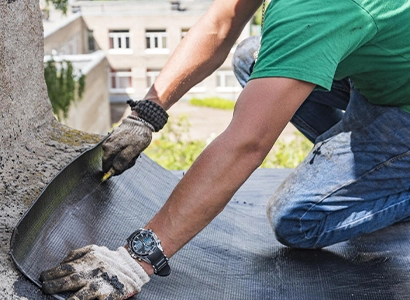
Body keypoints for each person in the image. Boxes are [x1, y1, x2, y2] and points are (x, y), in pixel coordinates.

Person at [40, 0, 410, 299]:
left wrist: (137, 260)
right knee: (253, 57)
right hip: (384, 68)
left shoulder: (318, 9)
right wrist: (147, 115)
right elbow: (219, 25)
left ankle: (386, 171)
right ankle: (363, 162)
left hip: (401, 108)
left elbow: (247, 144)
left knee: (297, 220)